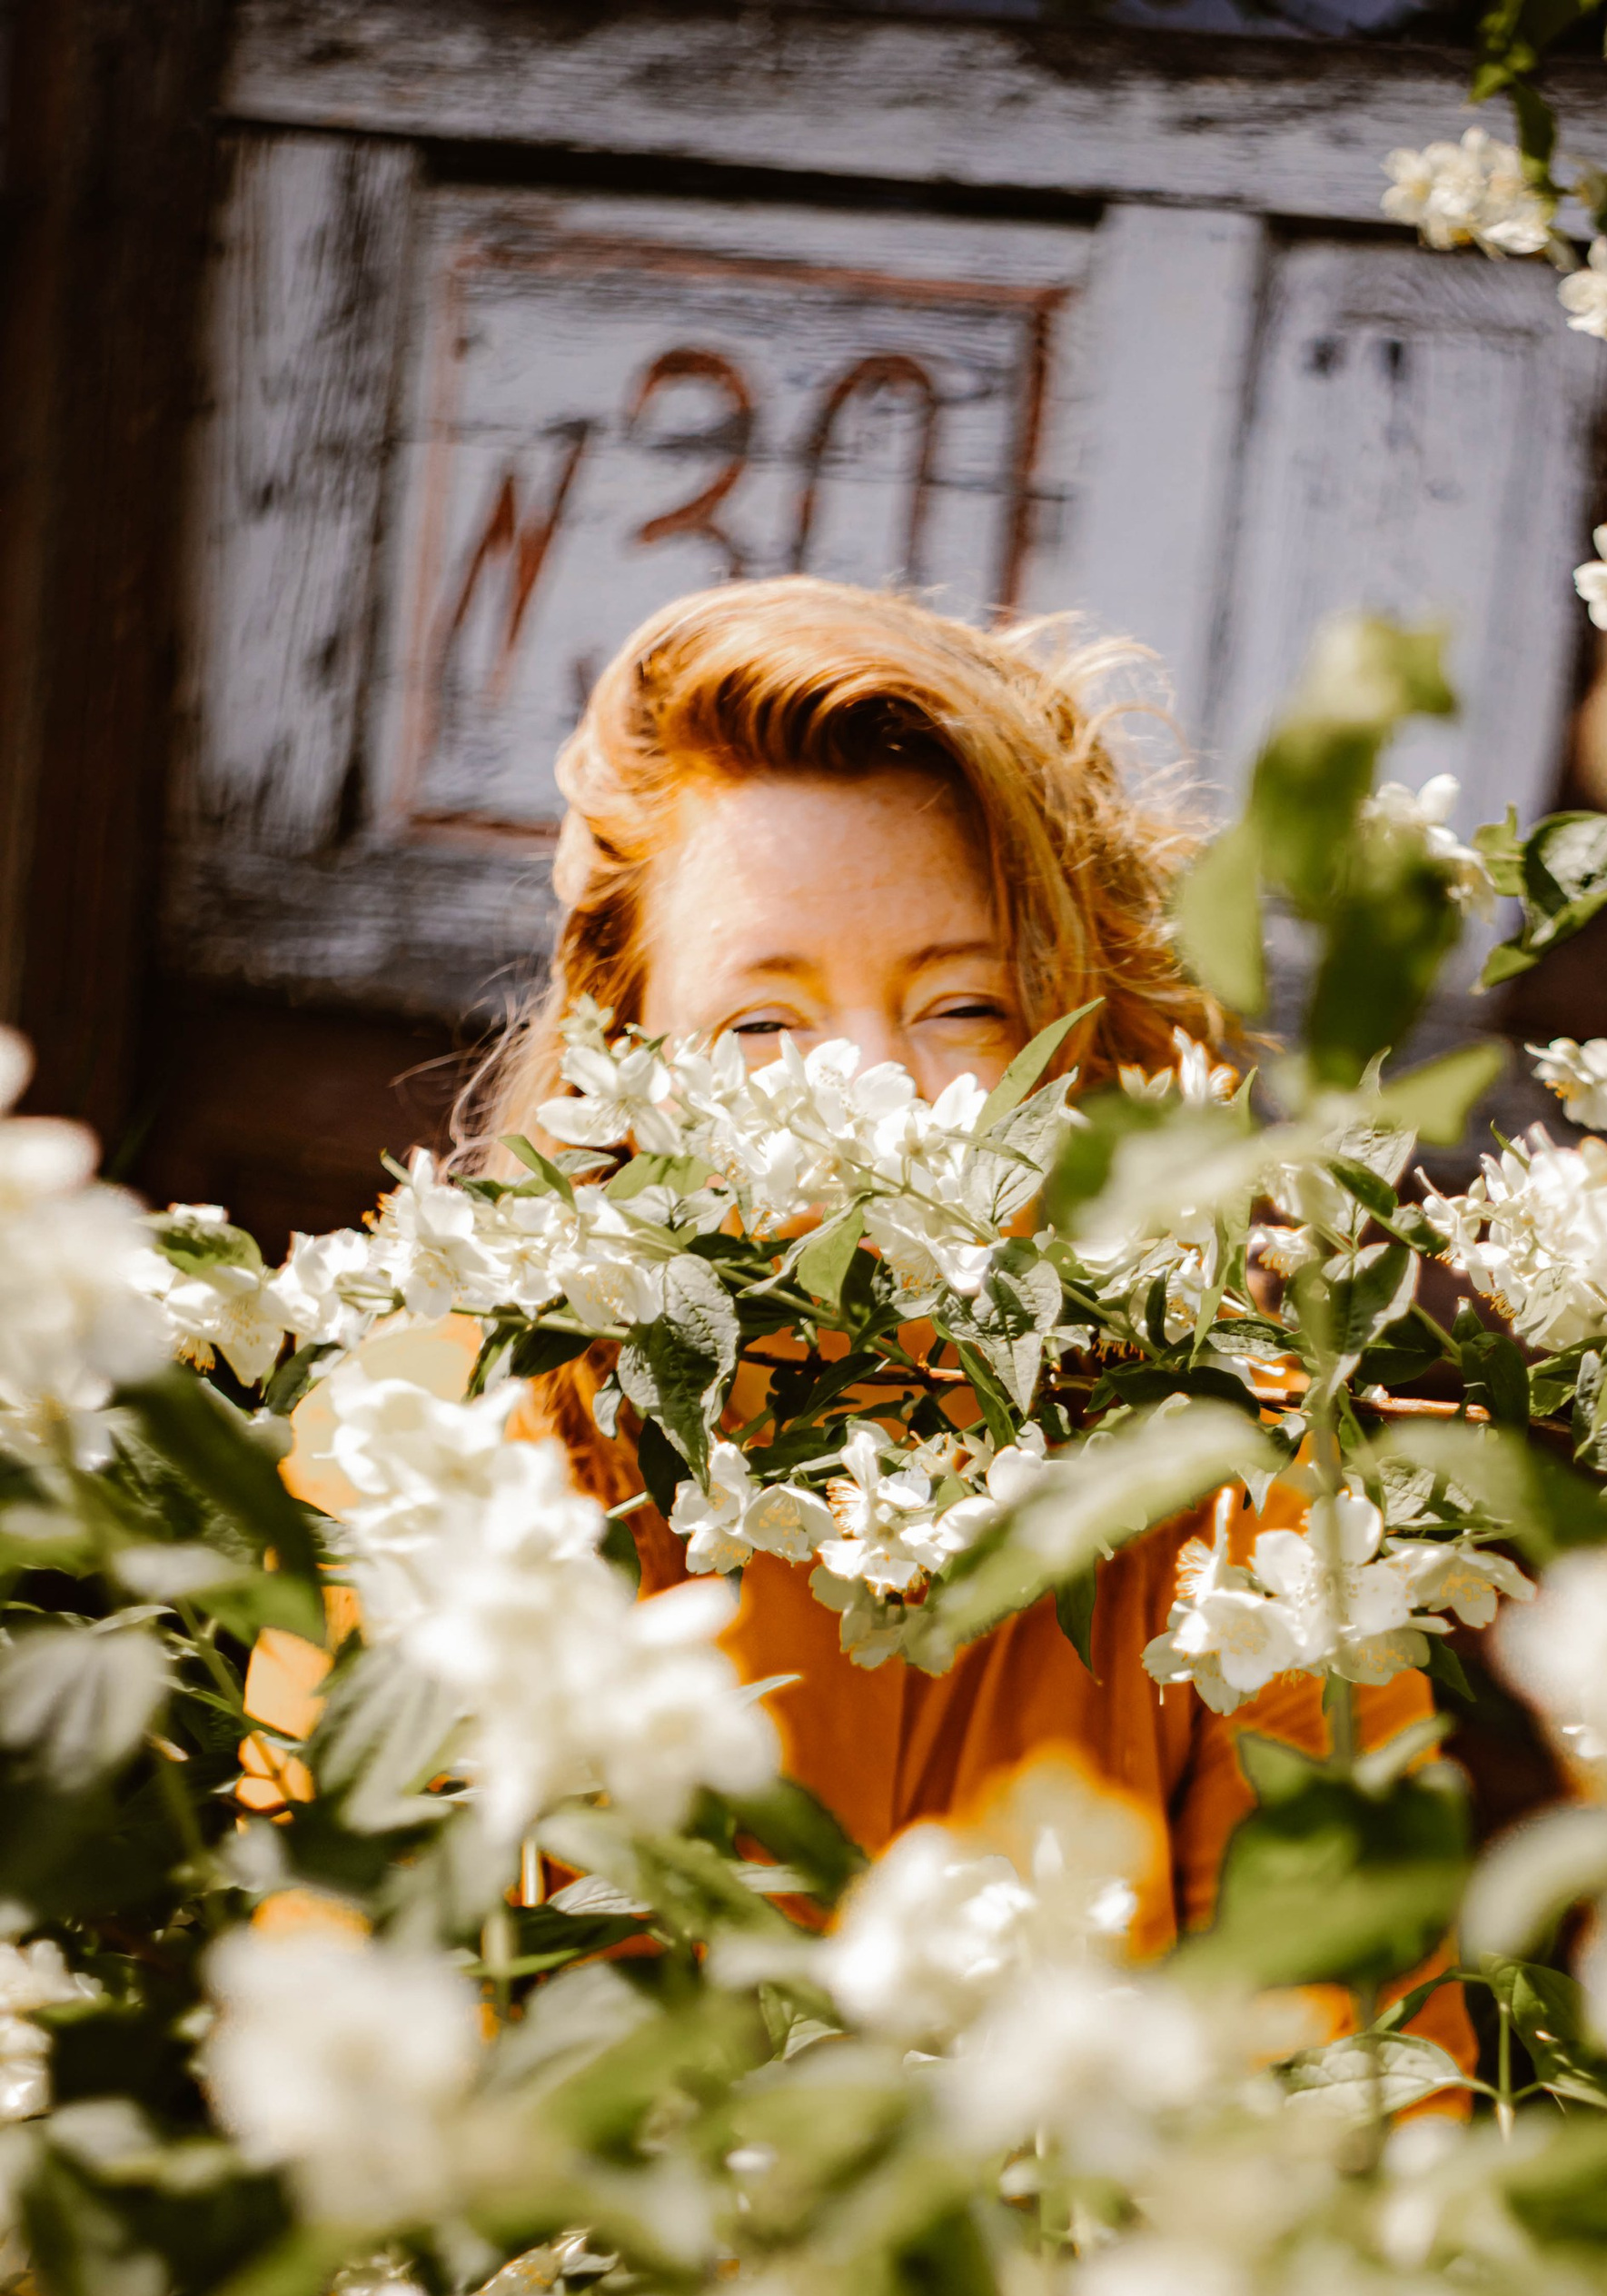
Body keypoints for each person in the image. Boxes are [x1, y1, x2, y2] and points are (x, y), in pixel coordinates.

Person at [464, 575, 1474, 2048]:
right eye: (764, 1023)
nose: (882, 1098)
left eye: (962, 1007)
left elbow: (1352, 2086)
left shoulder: (1228, 1498)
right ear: (627, 1059)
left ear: (1070, 1038)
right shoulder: (465, 1452)